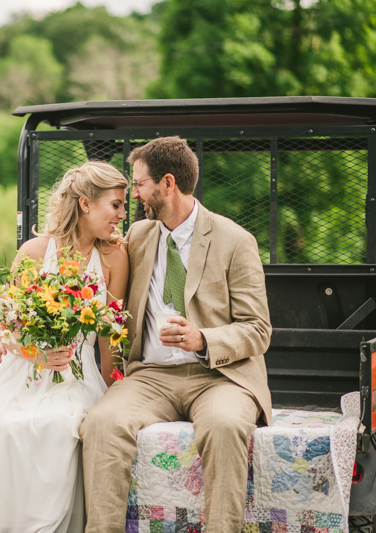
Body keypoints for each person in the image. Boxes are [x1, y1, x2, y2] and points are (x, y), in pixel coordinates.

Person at [0, 161, 130, 533]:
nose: (121, 214)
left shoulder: (113, 257)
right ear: (85, 204)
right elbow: (6, 330)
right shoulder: (34, 251)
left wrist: (116, 391)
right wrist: (37, 354)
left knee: (57, 427)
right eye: (115, 205)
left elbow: (109, 336)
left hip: (78, 379)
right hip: (23, 373)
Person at [79, 137, 272, 533]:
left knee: (224, 426)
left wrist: (202, 339)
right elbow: (82, 253)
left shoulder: (235, 240)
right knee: (101, 423)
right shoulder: (137, 236)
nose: (134, 194)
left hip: (220, 377)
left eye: (138, 184)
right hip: (152, 377)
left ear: (167, 184)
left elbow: (258, 329)